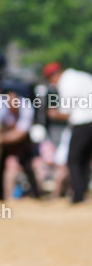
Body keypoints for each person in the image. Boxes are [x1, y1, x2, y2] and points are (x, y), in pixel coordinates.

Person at [43, 61, 92, 203]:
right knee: (84, 160)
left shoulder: (66, 83)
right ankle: (83, 193)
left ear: (53, 76)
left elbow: (66, 113)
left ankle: (78, 196)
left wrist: (53, 114)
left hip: (83, 123)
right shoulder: (81, 76)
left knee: (74, 160)